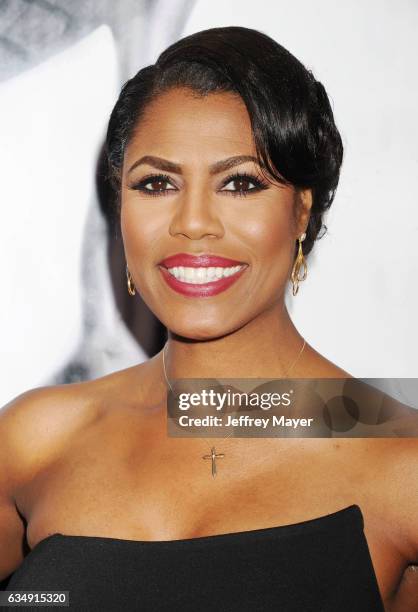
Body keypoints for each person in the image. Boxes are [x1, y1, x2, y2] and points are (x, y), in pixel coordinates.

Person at [0, 25, 417, 612]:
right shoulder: (32, 442)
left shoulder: (402, 462)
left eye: (240, 183)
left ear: (302, 210)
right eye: (157, 183)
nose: (192, 222)